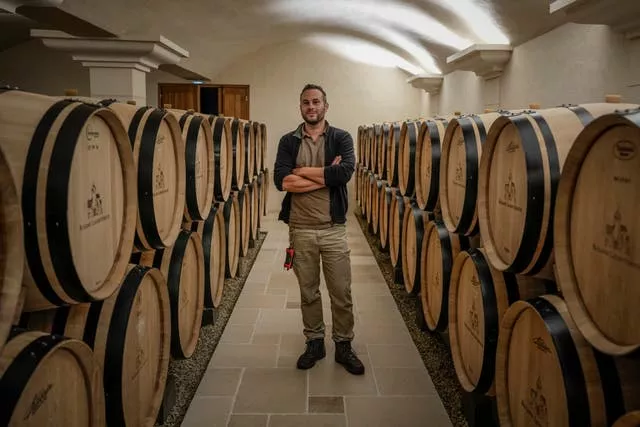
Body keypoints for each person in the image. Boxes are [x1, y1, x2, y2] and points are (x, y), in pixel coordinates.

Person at [273, 83, 364, 375]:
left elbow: (345, 173)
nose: (311, 107)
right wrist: (326, 175)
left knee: (341, 291)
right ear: (300, 107)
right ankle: (314, 341)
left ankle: (343, 344)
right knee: (308, 291)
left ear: (326, 105)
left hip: (332, 229)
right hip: (300, 229)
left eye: (316, 102)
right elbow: (282, 181)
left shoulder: (341, 138)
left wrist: (302, 172)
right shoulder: (289, 141)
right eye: (305, 103)